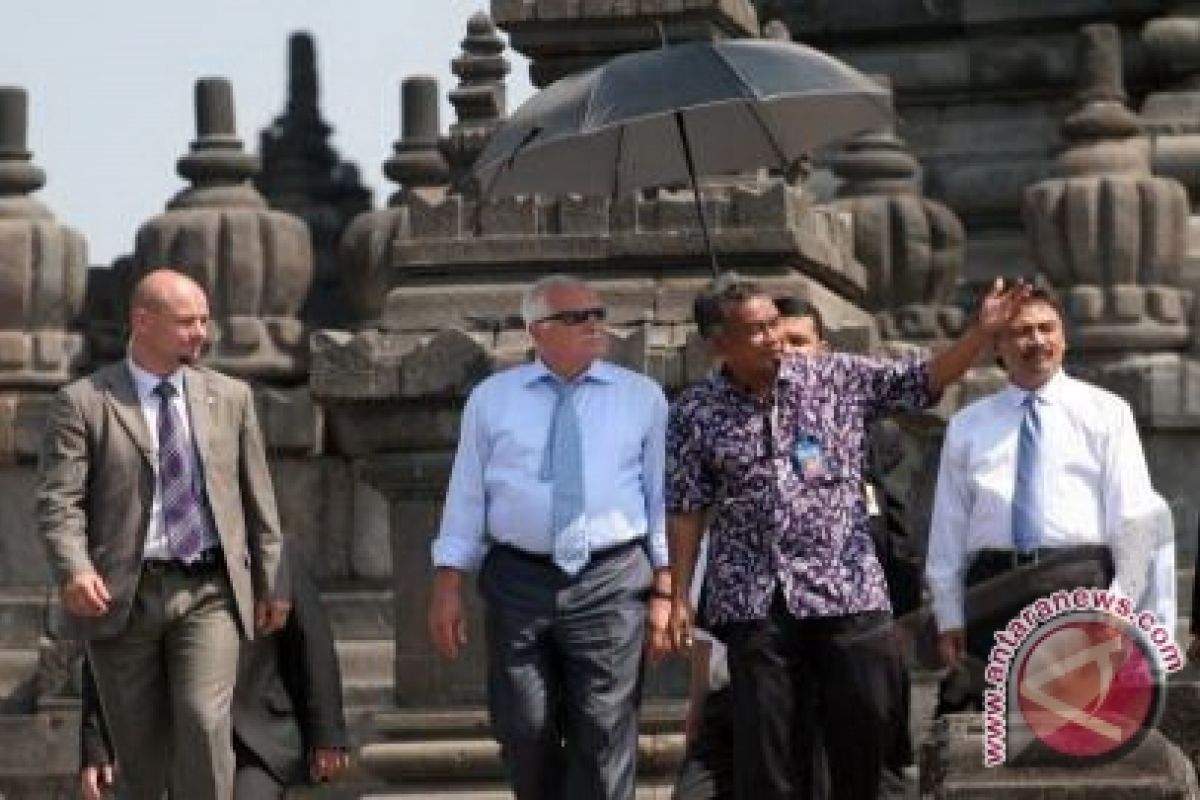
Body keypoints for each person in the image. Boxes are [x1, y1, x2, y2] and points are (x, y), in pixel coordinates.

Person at [666, 273, 1027, 800]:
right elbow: (686, 507)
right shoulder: (695, 412)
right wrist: (676, 593)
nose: (773, 337)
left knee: (864, 731)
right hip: (754, 600)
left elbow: (923, 379)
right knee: (769, 756)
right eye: (757, 330)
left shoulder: (832, 377)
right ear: (718, 343)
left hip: (846, 589)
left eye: (774, 324)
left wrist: (979, 333)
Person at [37, 268, 290, 800]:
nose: (200, 332)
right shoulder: (84, 402)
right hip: (122, 597)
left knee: (203, 720)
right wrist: (75, 568)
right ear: (142, 321)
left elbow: (258, 498)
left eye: (204, 320)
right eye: (185, 322)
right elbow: (59, 502)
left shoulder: (232, 398)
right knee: (140, 755)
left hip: (209, 590)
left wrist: (273, 581)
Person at [427, 274, 671, 800]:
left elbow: (660, 498)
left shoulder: (640, 397)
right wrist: (448, 585)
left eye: (598, 314)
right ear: (537, 330)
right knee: (523, 727)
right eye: (577, 317)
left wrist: (667, 589)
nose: (594, 326)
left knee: (605, 731)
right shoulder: (492, 400)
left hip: (612, 575)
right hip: (518, 578)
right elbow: (467, 494)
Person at [925, 288, 1175, 715]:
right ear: (1000, 345)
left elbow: (1134, 516)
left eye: (1047, 329)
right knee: (994, 737)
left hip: (1077, 584)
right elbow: (948, 525)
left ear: (1065, 338)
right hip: (993, 588)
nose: (1037, 342)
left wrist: (1118, 604)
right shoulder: (968, 425)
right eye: (1022, 332)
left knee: (1075, 729)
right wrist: (948, 613)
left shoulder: (1107, 413)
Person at [672, 295, 829, 800]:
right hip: (732, 679)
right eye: (767, 335)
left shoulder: (839, 428)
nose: (786, 351)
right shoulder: (723, 507)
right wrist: (697, 700)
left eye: (799, 341)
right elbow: (703, 630)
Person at [79, 545, 349, 800]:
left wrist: (327, 735)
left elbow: (312, 643)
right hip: (169, 740)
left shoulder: (275, 551)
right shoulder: (144, 555)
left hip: (253, 741)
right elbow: (111, 659)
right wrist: (96, 747)